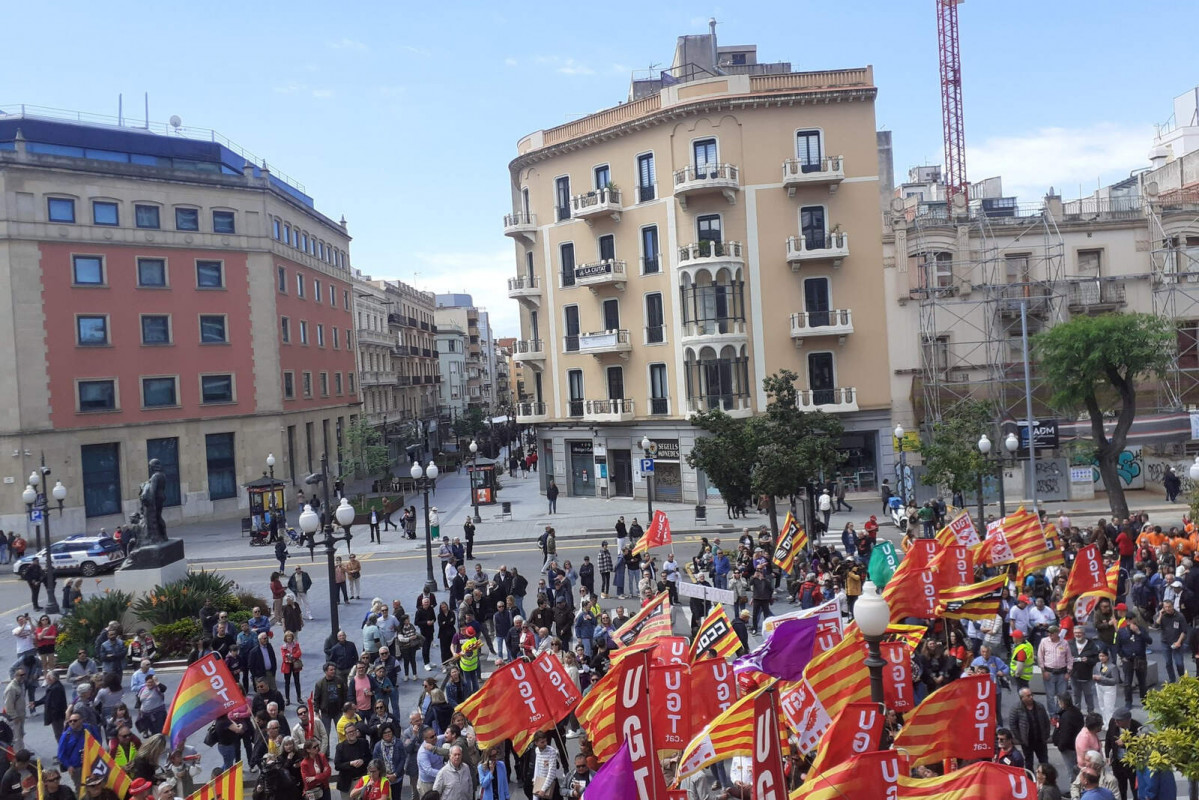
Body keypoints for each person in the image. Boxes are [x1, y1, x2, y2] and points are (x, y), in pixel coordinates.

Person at [1008, 688, 1051, 770]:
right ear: (1022, 698)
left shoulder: (1039, 706)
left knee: (1044, 762)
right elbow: (1013, 725)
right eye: (1028, 696)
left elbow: (1046, 721)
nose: (1031, 697)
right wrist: (1021, 739)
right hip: (1027, 742)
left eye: (1031, 695)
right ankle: (1030, 780)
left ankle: (1047, 779)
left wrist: (1046, 735)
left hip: (1040, 741)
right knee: (1029, 763)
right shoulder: (1016, 709)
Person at [531, 731, 562, 800]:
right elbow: (537, 766)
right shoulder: (537, 750)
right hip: (541, 782)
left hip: (551, 784)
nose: (545, 744)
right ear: (536, 743)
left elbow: (551, 772)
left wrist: (543, 789)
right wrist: (535, 780)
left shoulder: (552, 751)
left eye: (545, 741)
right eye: (542, 742)